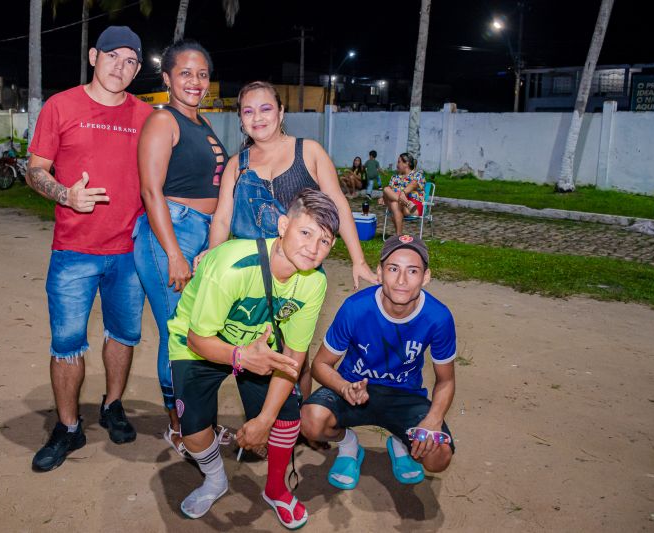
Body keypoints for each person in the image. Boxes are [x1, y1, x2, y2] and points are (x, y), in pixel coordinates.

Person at [170, 189, 339, 529]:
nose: (313, 248)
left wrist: (265, 419)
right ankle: (215, 479)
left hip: (258, 346)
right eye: (305, 232)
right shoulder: (232, 267)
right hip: (199, 342)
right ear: (283, 226)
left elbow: (293, 355)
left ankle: (276, 489)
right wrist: (239, 357)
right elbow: (197, 339)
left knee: (286, 418)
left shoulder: (314, 283)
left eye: (324, 241)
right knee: (194, 434)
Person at [24, 25, 152, 472]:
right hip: (74, 251)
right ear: (94, 57)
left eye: (132, 61)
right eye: (114, 56)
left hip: (130, 252)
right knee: (66, 344)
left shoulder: (147, 116)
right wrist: (66, 195)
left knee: (123, 335)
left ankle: (113, 405)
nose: (122, 67)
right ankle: (68, 427)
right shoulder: (61, 106)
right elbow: (35, 170)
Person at [207, 81, 377, 401]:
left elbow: (339, 204)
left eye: (266, 108)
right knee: (253, 347)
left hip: (301, 273)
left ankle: (300, 415)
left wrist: (358, 260)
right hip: (252, 278)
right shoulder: (236, 165)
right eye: (248, 111)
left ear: (281, 112)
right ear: (240, 118)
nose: (258, 117)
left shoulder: (308, 151)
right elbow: (222, 219)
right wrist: (212, 258)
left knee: (297, 355)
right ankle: (266, 415)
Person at [300, 234, 456, 493]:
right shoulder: (356, 308)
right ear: (380, 273)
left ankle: (401, 440)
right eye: (393, 269)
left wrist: (434, 419)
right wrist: (344, 387)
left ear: (426, 277)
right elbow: (320, 365)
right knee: (310, 421)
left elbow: (446, 380)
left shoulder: (438, 317)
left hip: (404, 396)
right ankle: (349, 445)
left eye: (412, 271)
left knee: (438, 457)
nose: (402, 280)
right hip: (355, 388)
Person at [135, 40, 228, 458]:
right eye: (186, 73)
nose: (195, 81)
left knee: (198, 330)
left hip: (200, 235)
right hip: (172, 233)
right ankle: (179, 426)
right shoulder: (163, 120)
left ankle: (197, 423)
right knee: (179, 334)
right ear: (167, 78)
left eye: (202, 74)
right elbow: (151, 191)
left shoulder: (201, 122)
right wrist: (174, 253)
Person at [380, 152, 425, 235]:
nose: (397, 165)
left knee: (394, 203)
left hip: (414, 208)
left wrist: (403, 193)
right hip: (407, 205)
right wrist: (383, 197)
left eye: (399, 162)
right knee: (387, 190)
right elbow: (388, 191)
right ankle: (407, 203)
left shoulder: (417, 175)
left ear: (406, 163)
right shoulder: (395, 177)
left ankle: (398, 235)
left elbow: (414, 184)